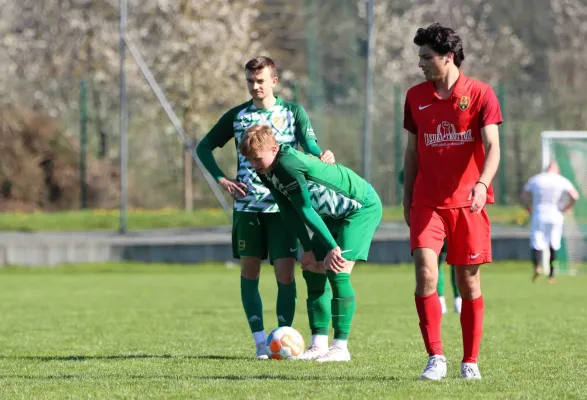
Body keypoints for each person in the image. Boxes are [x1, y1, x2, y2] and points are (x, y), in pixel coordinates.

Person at [195, 56, 335, 360]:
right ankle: (261, 342)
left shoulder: (293, 112)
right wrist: (221, 179)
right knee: (250, 273)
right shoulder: (237, 116)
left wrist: (322, 155)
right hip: (247, 208)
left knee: (285, 274)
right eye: (250, 81)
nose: (255, 86)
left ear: (274, 81)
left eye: (260, 80)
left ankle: (282, 337)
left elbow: (310, 147)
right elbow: (203, 147)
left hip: (282, 209)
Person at [403, 23, 502, 380]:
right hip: (427, 203)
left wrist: (481, 183)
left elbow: (493, 147)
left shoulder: (480, 94)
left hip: (469, 204)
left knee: (468, 282)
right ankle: (436, 358)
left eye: (427, 57)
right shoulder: (415, 97)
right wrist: (407, 196)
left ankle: (470, 362)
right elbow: (412, 153)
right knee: (426, 272)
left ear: (448, 57)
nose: (421, 64)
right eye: (420, 57)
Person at [239, 124, 383, 362]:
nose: (254, 165)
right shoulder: (266, 170)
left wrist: (331, 248)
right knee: (312, 271)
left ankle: (341, 347)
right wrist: (307, 250)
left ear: (274, 149)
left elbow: (305, 208)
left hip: (359, 209)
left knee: (337, 271)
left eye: (257, 159)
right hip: (331, 216)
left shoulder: (287, 164)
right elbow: (287, 209)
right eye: (250, 160)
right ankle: (318, 344)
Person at [400, 169, 461, 314]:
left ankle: (452, 300)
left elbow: (404, 176)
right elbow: (405, 176)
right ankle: (447, 300)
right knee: (436, 261)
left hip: (444, 213)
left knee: (448, 261)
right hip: (436, 214)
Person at [520, 161, 579, 284]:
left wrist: (528, 207)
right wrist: (568, 207)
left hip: (539, 214)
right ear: (556, 169)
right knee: (553, 244)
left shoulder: (536, 179)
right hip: (556, 215)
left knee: (536, 243)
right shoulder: (561, 180)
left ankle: (537, 266)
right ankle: (551, 275)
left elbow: (524, 195)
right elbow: (574, 196)